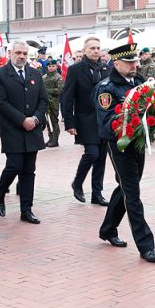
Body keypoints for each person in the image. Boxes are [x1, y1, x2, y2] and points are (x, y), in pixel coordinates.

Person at [94, 43, 155, 262]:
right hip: (120, 145)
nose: (135, 65)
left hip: (138, 143)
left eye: (136, 62)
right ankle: (146, 246)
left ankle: (108, 229)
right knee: (132, 193)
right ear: (117, 64)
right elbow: (106, 123)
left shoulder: (141, 82)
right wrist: (128, 119)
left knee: (126, 187)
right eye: (130, 62)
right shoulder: (106, 88)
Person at [0, 40, 48, 224]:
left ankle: (26, 210)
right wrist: (22, 120)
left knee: (29, 171)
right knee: (15, 165)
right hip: (12, 128)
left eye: (24, 53)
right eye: (18, 53)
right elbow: (0, 102)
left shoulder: (35, 73)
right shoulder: (0, 74)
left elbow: (43, 100)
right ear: (10, 53)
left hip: (33, 129)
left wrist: (35, 119)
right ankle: (0, 192)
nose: (22, 56)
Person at [61, 37, 111, 205]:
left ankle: (97, 193)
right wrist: (69, 123)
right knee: (92, 153)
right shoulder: (75, 70)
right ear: (84, 51)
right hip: (84, 119)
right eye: (92, 48)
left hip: (103, 120)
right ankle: (77, 182)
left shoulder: (106, 69)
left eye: (98, 48)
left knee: (101, 157)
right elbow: (67, 97)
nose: (96, 51)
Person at [42, 59, 64, 148]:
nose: (51, 68)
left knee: (54, 120)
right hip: (46, 102)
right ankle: (50, 138)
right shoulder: (44, 77)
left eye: (53, 66)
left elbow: (60, 90)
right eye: (49, 66)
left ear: (56, 66)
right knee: (48, 121)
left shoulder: (58, 77)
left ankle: (55, 140)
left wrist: (47, 91)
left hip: (53, 102)